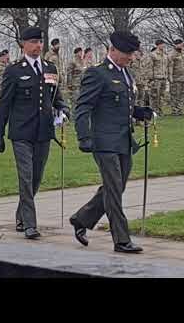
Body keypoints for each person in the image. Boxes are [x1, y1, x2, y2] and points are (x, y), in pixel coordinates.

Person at [69, 30, 154, 253]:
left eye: (132, 53)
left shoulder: (127, 74)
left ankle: (81, 218)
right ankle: (121, 239)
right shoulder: (97, 74)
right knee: (114, 189)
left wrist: (140, 112)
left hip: (124, 140)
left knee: (115, 187)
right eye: (127, 53)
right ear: (113, 50)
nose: (131, 57)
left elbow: (121, 106)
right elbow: (83, 108)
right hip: (104, 142)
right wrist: (84, 136)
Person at [0, 27, 70, 239]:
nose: (38, 46)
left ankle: (20, 216)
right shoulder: (14, 70)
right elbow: (5, 104)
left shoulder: (50, 68)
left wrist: (64, 110)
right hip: (21, 132)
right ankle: (30, 224)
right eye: (33, 42)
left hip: (43, 132)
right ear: (23, 44)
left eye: (40, 42)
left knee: (36, 178)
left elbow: (56, 97)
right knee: (25, 177)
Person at [168, 39, 184, 115]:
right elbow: (170, 66)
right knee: (175, 94)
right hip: (176, 78)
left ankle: (179, 109)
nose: (182, 46)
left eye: (182, 44)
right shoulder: (172, 54)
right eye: (180, 44)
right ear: (176, 45)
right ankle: (174, 110)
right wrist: (170, 77)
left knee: (182, 95)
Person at [149, 39, 168, 115]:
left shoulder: (165, 55)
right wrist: (151, 79)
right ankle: (154, 111)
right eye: (162, 44)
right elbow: (150, 67)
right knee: (155, 95)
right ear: (158, 45)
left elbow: (166, 66)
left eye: (164, 44)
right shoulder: (153, 54)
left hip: (163, 77)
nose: (163, 46)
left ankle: (160, 110)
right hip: (156, 78)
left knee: (162, 96)